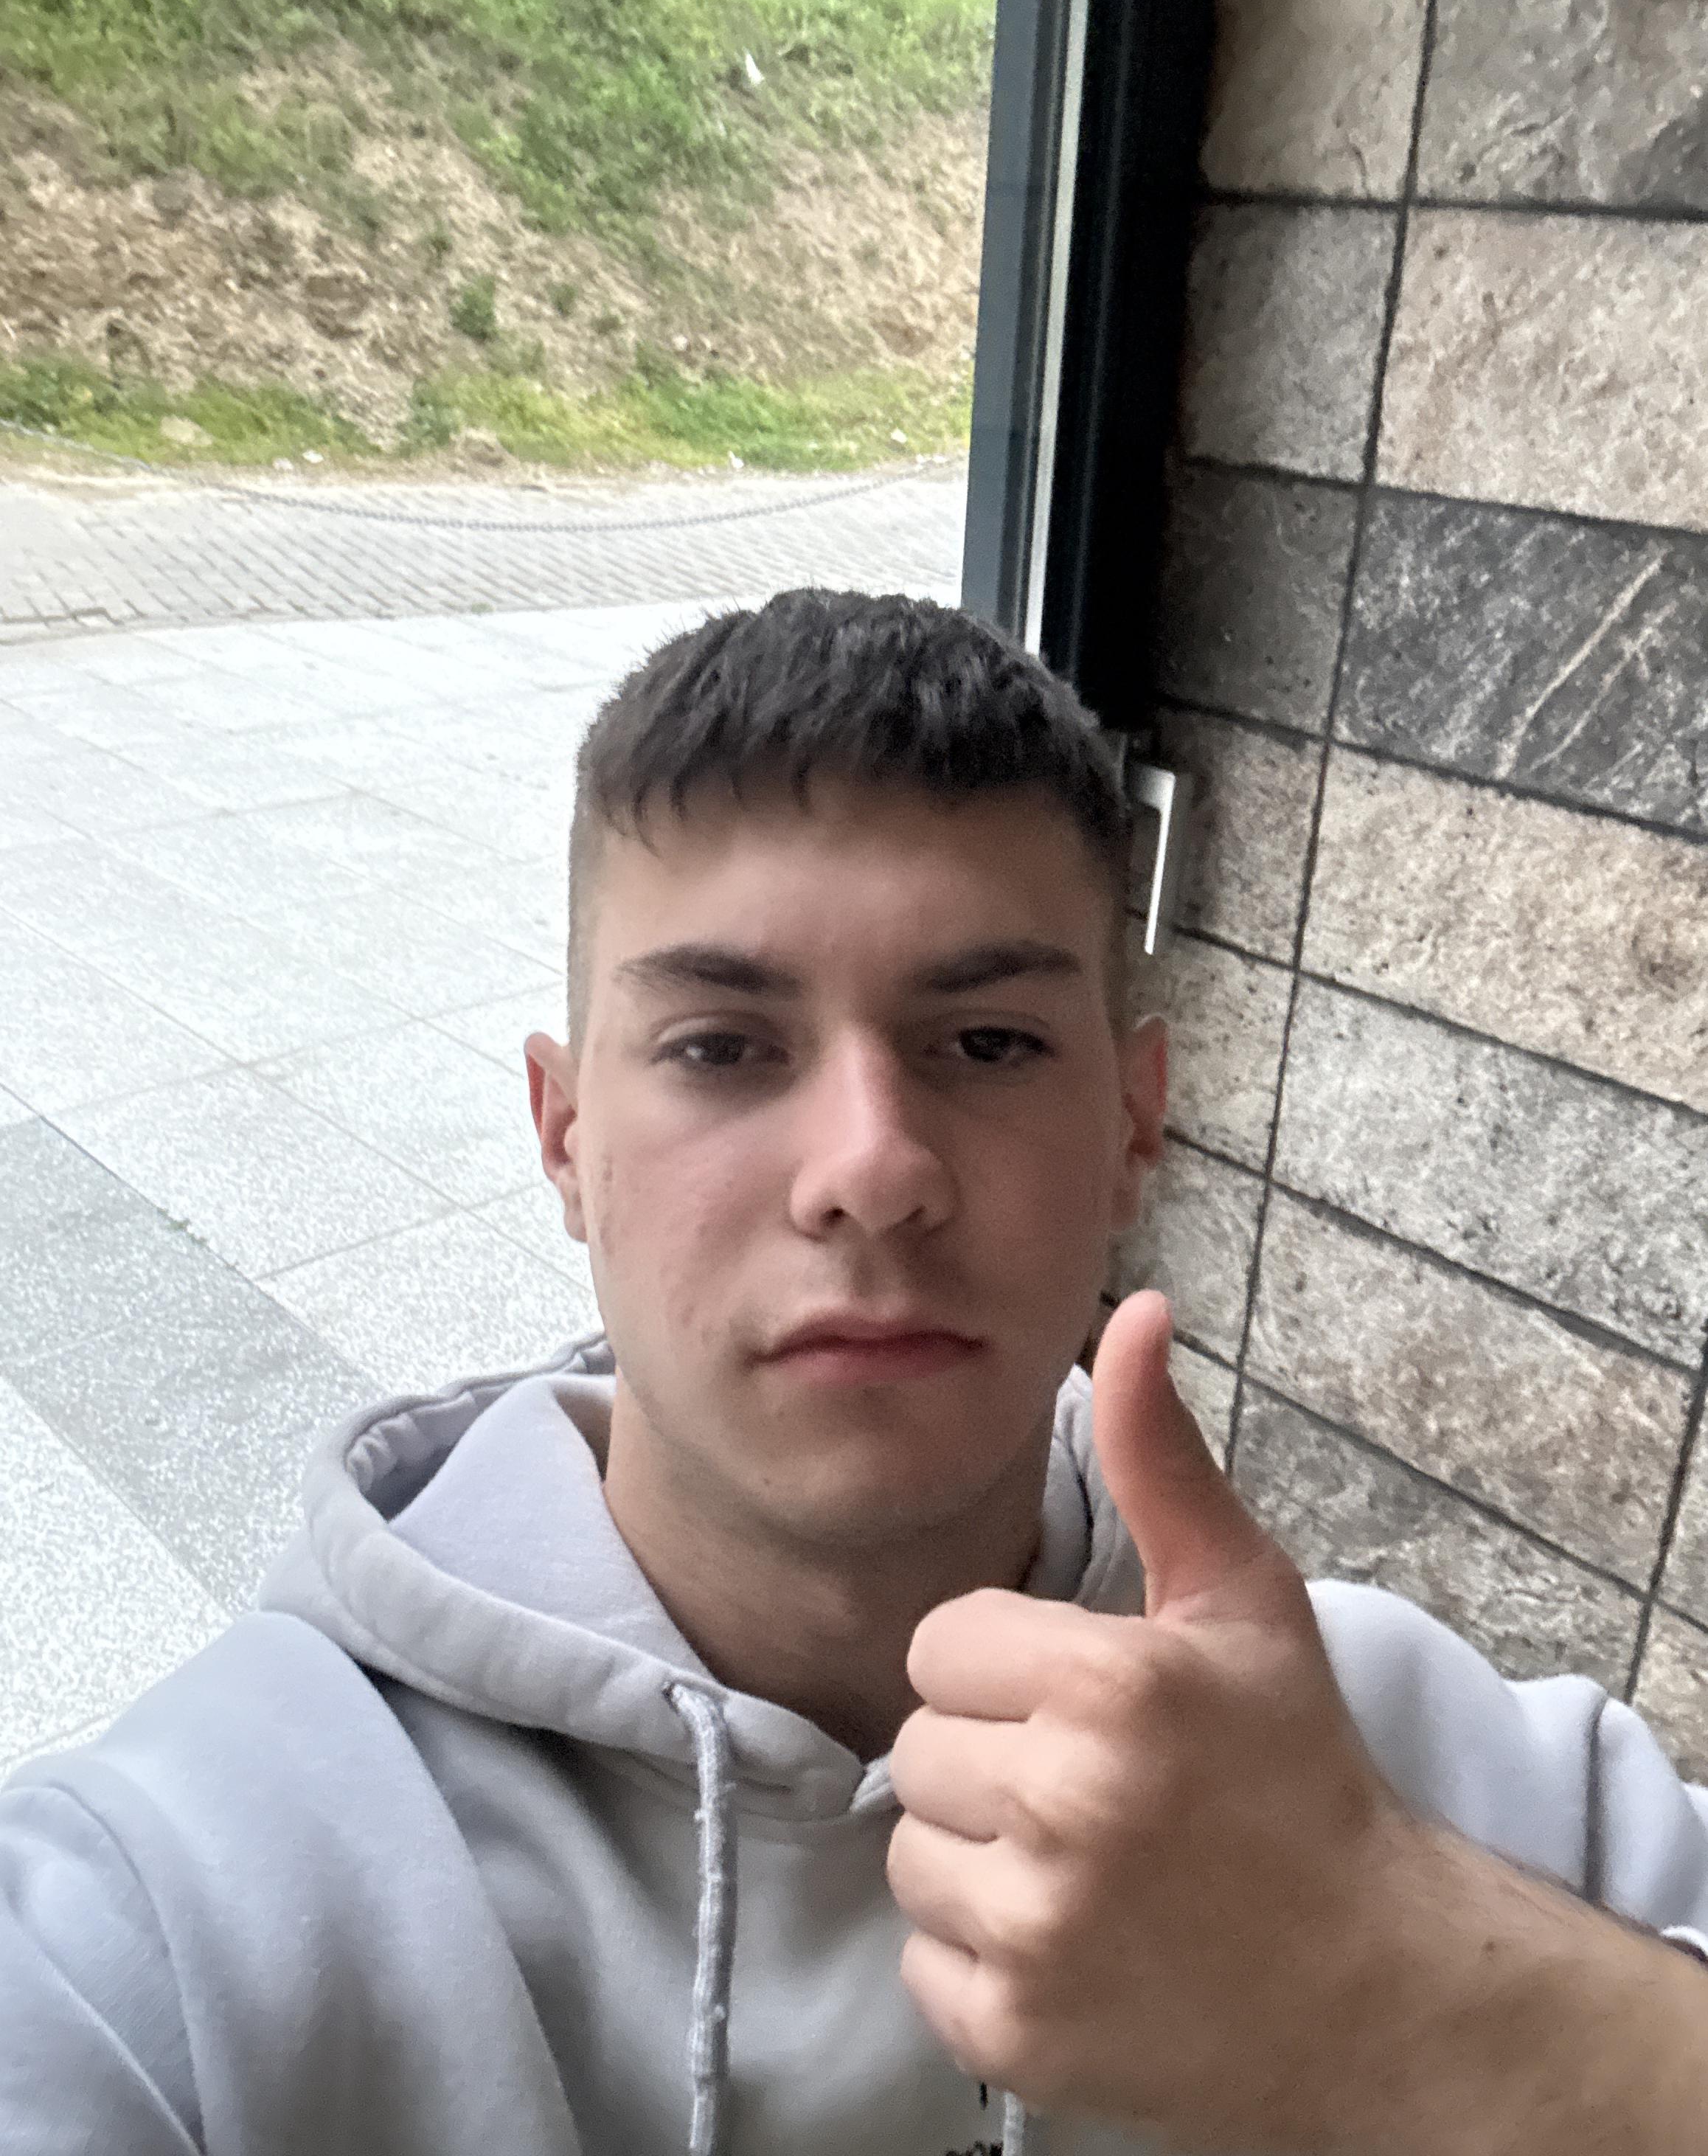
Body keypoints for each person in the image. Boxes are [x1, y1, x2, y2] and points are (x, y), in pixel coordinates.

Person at [2, 589, 1705, 2156]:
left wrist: (1395, 1981)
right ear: (566, 1134)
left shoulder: (1408, 1761)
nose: (873, 1166)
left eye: (988, 1041)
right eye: (723, 1046)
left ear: (1135, 1123)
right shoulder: (170, 1900)